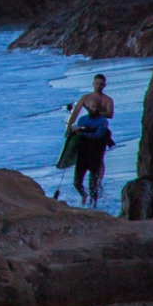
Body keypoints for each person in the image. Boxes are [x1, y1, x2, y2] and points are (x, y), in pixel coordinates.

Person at [66, 74, 116, 207]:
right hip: (86, 137)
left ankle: (96, 191)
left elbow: (110, 114)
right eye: (97, 83)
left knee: (99, 160)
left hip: (98, 136)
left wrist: (97, 113)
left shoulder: (107, 100)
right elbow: (75, 113)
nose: (99, 86)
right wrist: (69, 129)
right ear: (93, 84)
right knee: (78, 179)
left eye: (101, 84)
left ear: (104, 85)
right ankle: (84, 195)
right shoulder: (85, 99)